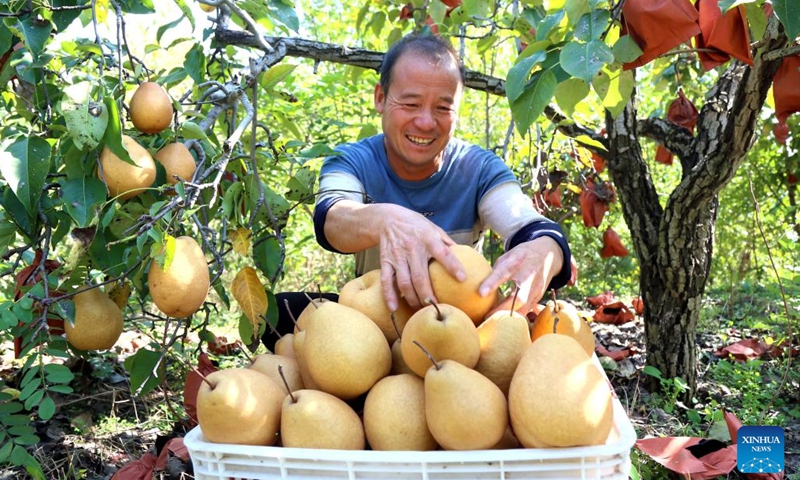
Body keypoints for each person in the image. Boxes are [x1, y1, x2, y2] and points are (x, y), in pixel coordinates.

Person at [263, 33, 571, 350]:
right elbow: (331, 218)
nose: (425, 122)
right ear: (380, 98)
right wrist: (385, 220)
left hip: (458, 330)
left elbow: (527, 224)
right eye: (410, 103)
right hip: (376, 328)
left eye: (442, 107)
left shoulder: (478, 168)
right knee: (276, 313)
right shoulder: (351, 161)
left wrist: (546, 248)